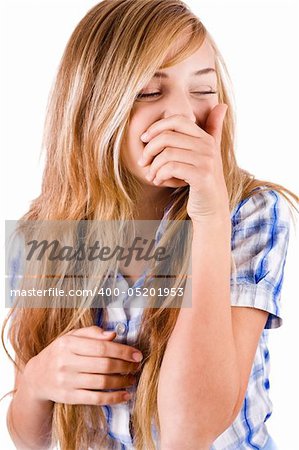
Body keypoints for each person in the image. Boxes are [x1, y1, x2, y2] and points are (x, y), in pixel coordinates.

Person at [2, 1, 298, 449]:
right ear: (91, 108)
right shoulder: (46, 228)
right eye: (148, 91)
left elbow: (191, 431)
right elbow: (29, 437)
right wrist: (37, 384)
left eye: (203, 90)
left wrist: (210, 216)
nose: (181, 116)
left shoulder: (250, 213)